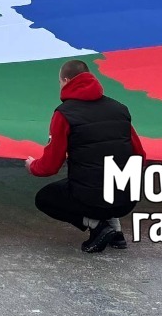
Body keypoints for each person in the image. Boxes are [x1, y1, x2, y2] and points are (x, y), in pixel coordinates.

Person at [26, 59, 145, 253]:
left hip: (92, 200)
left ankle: (97, 225)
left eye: (60, 82)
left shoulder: (64, 113)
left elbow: (50, 165)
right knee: (98, 181)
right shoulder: (119, 109)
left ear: (66, 81)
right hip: (126, 200)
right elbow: (139, 154)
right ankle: (115, 230)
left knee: (45, 198)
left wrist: (32, 166)